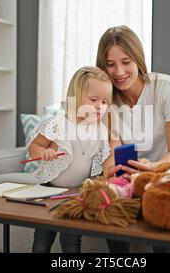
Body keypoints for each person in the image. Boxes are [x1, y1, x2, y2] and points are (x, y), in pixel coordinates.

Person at [98, 25, 170, 253]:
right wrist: (110, 171)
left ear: (138, 59)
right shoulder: (106, 100)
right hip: (132, 176)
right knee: (110, 201)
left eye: (126, 62)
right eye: (110, 64)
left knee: (160, 203)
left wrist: (153, 167)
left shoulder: (167, 88)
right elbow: (111, 151)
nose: (118, 71)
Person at [28, 66, 113, 253]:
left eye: (105, 102)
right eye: (94, 100)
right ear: (75, 97)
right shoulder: (58, 123)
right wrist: (43, 152)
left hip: (77, 194)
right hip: (49, 191)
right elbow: (34, 147)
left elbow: (104, 160)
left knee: (72, 244)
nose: (100, 106)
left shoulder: (100, 130)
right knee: (42, 242)